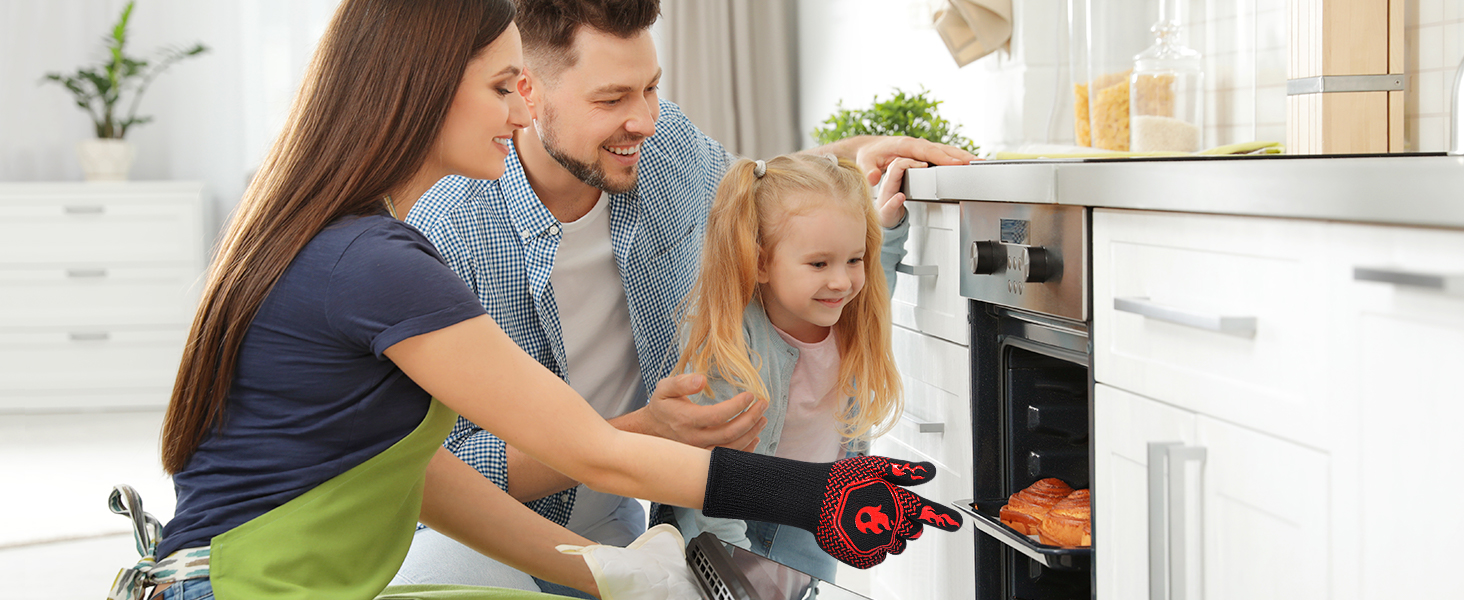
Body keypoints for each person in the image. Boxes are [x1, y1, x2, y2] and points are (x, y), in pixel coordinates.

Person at [136, 1, 959, 599]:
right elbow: (593, 449)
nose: (517, 108)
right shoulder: (385, 259)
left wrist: (608, 572)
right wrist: (814, 493)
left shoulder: (346, 238)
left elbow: (419, 473)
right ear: (423, 89)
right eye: (503, 87)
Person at [395, 0, 975, 592]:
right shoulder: (450, 232)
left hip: (633, 527)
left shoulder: (661, 145)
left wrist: (855, 158)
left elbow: (756, 186)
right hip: (493, 541)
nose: (644, 118)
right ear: (528, 94)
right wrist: (648, 427)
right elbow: (438, 477)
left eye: (650, 88)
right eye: (611, 99)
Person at [664, 153, 920, 583]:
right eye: (819, 263)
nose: (841, 281)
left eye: (853, 259)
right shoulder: (731, 348)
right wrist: (734, 571)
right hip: (736, 529)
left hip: (815, 521)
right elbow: (712, 480)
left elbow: (878, 281)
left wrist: (887, 229)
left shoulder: (848, 316)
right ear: (760, 262)